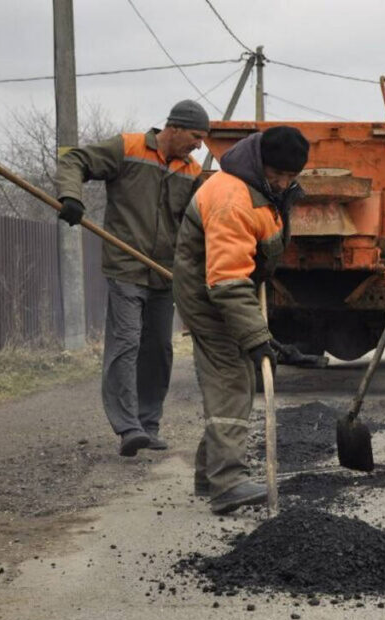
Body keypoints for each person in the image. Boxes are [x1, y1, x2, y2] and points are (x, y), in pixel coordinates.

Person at [55, 100, 209, 457]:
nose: (200, 145)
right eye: (196, 136)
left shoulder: (192, 171)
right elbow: (74, 160)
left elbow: (203, 219)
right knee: (126, 343)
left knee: (159, 349)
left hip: (165, 272)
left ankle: (148, 424)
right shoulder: (128, 148)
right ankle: (128, 428)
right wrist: (70, 196)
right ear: (174, 128)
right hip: (125, 265)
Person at [173, 125, 309, 514]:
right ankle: (227, 482)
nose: (283, 184)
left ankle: (207, 474)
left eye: (290, 178)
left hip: (233, 287)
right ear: (260, 164)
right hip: (211, 294)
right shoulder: (232, 197)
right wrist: (255, 337)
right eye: (277, 176)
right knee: (231, 379)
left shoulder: (265, 190)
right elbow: (227, 280)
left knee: (237, 378)